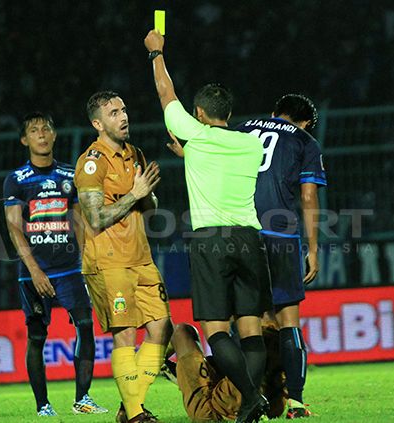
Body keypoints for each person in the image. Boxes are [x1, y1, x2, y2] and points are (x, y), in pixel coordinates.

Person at [167, 94, 326, 418]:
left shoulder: (242, 129)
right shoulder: (305, 141)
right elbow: (308, 195)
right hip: (279, 232)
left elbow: (216, 161)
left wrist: (187, 153)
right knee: (285, 321)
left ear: (273, 112)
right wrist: (312, 247)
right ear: (306, 122)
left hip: (240, 230)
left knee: (234, 323)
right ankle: (292, 399)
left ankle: (241, 394)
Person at [145, 30, 273, 423]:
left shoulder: (196, 136)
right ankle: (249, 400)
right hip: (250, 239)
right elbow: (219, 158)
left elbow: (167, 94)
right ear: (228, 115)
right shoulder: (251, 144)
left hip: (211, 240)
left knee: (216, 331)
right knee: (251, 331)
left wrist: (156, 54)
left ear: (199, 114)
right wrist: (191, 153)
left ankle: (250, 398)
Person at [74, 91, 173, 423]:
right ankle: (134, 414)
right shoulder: (91, 162)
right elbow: (95, 218)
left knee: (161, 327)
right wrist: (134, 194)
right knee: (125, 333)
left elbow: (149, 207)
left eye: (124, 109)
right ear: (97, 123)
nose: (124, 116)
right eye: (114, 112)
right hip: (108, 260)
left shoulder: (136, 154)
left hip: (141, 256)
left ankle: (130, 404)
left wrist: (148, 197)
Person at [3, 112, 107, 417]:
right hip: (34, 273)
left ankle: (83, 399)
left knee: (85, 327)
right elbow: (13, 227)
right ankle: (42, 405)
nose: (42, 134)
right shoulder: (17, 180)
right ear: (25, 140)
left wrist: (86, 258)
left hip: (70, 269)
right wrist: (34, 270)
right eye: (34, 130)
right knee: (37, 336)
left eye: (46, 128)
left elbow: (79, 220)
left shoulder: (68, 174)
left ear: (54, 134)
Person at [162, 322, 287, 422]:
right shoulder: (269, 331)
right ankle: (181, 371)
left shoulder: (240, 330)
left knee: (181, 332)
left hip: (215, 411)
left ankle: (157, 363)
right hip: (273, 405)